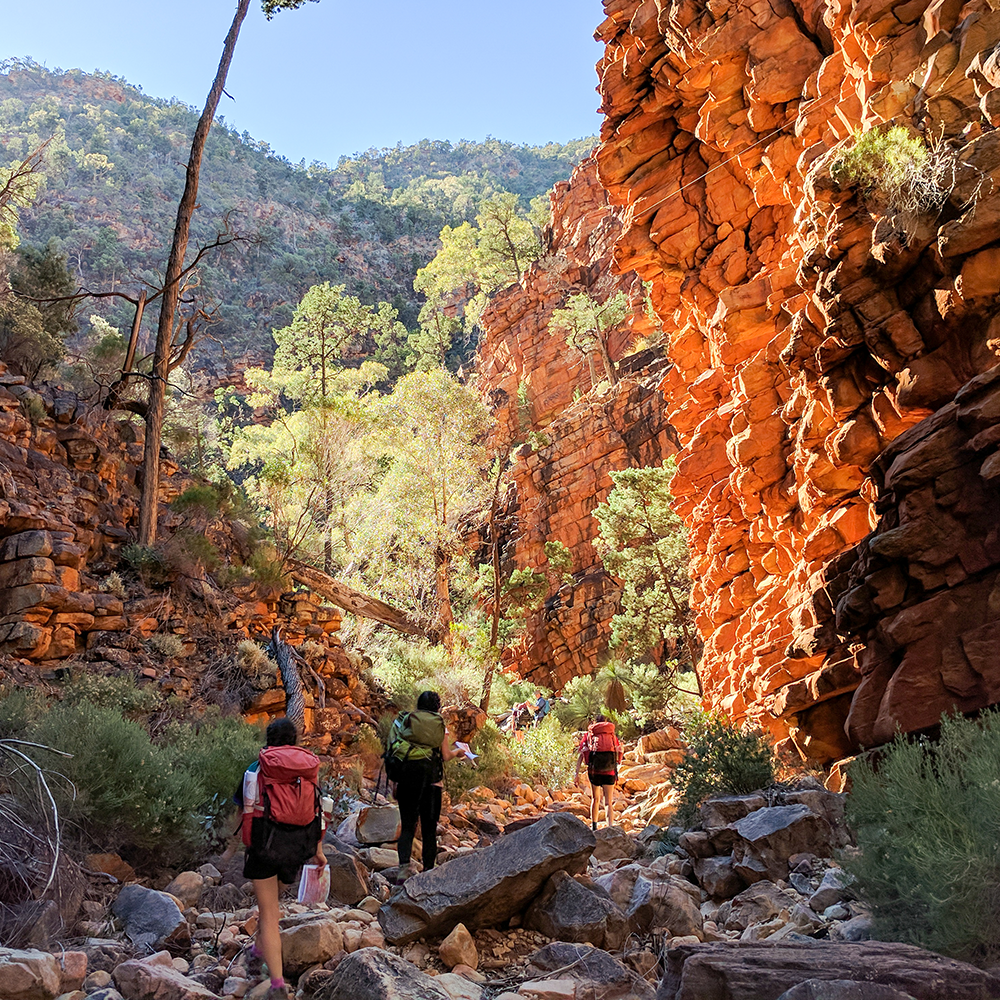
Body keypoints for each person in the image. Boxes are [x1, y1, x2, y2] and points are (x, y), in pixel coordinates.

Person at [238, 717, 326, 1000]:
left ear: (268, 740)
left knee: (269, 914)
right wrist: (319, 850)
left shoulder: (256, 768)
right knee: (272, 906)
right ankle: (256, 951)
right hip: (297, 848)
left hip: (265, 847)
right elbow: (319, 811)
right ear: (294, 741)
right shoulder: (307, 769)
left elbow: (241, 810)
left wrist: (231, 847)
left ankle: (277, 984)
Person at [390, 690, 459, 879]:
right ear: (437, 707)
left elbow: (396, 751)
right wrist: (458, 752)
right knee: (429, 829)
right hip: (432, 784)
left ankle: (403, 868)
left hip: (406, 781)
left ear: (418, 704)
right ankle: (429, 870)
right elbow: (445, 755)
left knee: (407, 827)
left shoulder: (408, 721)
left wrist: (395, 781)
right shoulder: (439, 725)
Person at [575, 713, 623, 830]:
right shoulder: (611, 735)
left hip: (594, 771)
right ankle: (610, 826)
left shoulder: (589, 734)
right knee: (608, 802)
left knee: (595, 799)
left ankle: (594, 826)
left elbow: (581, 755)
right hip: (609, 772)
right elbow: (618, 755)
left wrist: (576, 773)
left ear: (594, 722)